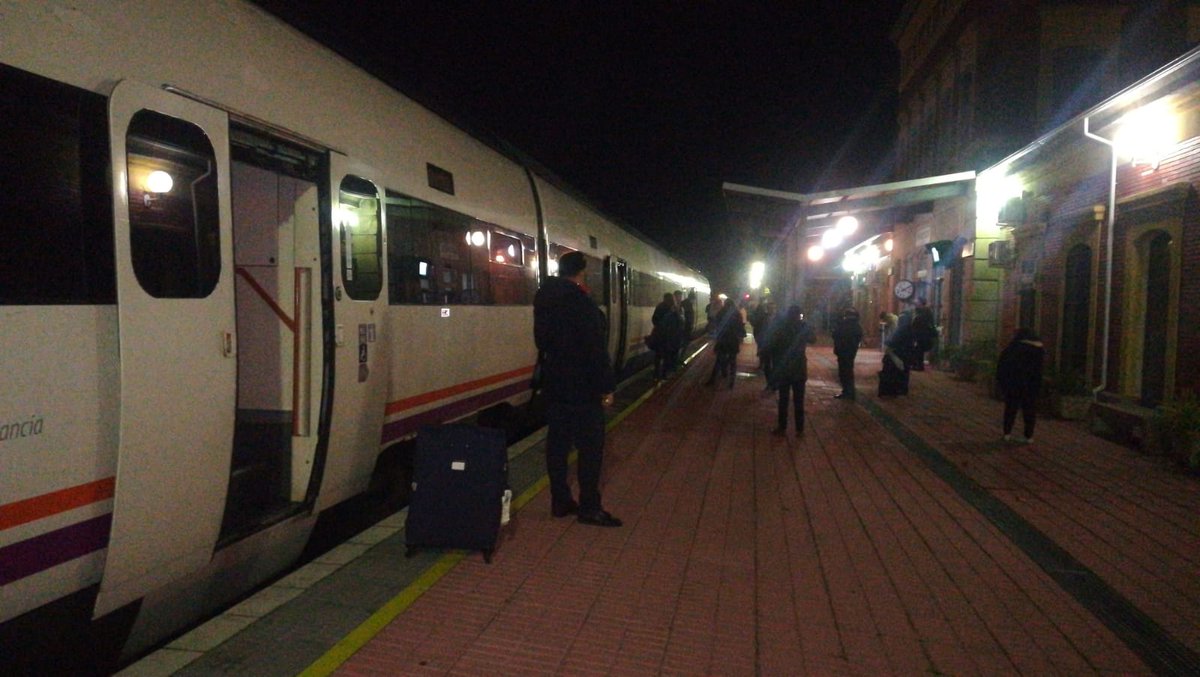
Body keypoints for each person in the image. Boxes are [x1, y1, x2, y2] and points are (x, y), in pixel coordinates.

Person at [533, 251, 622, 527]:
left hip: (555, 385)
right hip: (583, 389)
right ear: (581, 272)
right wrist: (606, 387)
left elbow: (541, 341)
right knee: (590, 448)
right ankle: (589, 507)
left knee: (557, 446)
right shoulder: (581, 304)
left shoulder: (544, 299)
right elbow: (595, 351)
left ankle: (560, 501)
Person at [768, 305, 815, 435]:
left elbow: (773, 345)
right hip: (799, 368)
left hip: (785, 368)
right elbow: (813, 339)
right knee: (799, 400)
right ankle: (800, 429)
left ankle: (782, 427)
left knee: (783, 399)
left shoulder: (782, 326)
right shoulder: (803, 326)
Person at [996, 328, 1045, 444]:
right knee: (1029, 410)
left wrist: (1002, 382)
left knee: (1011, 409)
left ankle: (1007, 433)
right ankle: (1029, 436)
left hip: (1014, 383)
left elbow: (1003, 365)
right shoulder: (1039, 350)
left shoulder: (1013, 348)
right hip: (1031, 385)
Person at [705, 299, 745, 388]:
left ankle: (713, 379)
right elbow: (740, 328)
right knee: (733, 361)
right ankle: (731, 382)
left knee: (719, 360)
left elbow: (717, 325)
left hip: (723, 340)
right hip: (733, 341)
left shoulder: (721, 313)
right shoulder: (737, 314)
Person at [650, 292, 684, 381]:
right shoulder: (674, 308)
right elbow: (680, 322)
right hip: (670, 337)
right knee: (667, 356)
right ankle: (664, 374)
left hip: (660, 336)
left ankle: (656, 374)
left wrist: (659, 327)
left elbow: (654, 319)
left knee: (658, 356)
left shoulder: (659, 307)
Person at [832, 307, 864, 400]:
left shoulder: (843, 324)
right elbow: (859, 337)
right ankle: (849, 392)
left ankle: (847, 392)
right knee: (849, 371)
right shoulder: (857, 325)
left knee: (844, 372)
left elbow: (835, 335)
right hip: (851, 351)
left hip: (842, 351)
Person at [909, 304, 937, 371]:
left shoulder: (919, 318)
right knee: (919, 351)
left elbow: (914, 327)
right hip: (926, 337)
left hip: (920, 337)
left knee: (918, 351)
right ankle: (918, 365)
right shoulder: (928, 317)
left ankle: (918, 366)